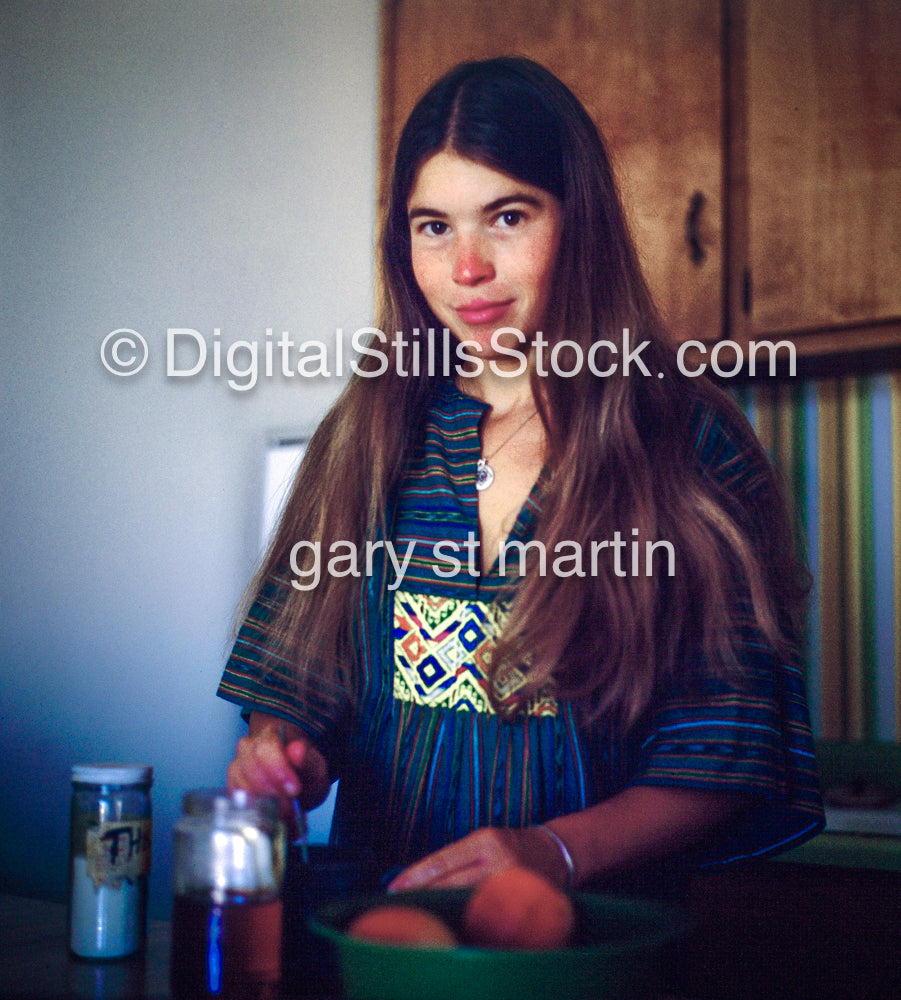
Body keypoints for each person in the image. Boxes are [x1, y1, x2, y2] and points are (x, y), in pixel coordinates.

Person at [219, 56, 823, 895]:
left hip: (603, 946)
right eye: (432, 226)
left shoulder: (690, 445)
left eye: (505, 217)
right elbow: (296, 682)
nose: (465, 267)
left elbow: (722, 748)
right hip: (385, 937)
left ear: (581, 221)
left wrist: (554, 854)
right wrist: (280, 756)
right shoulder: (360, 439)